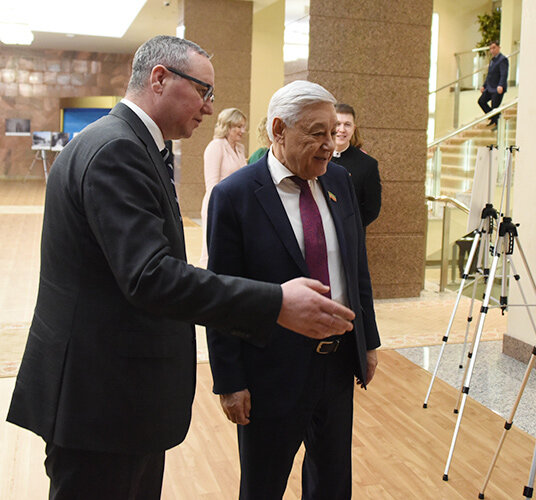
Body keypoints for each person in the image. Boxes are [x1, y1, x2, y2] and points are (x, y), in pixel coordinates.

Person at [6, 36, 355, 500]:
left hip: (112, 398)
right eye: (203, 91)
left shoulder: (129, 144)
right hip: (102, 403)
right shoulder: (117, 150)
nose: (210, 108)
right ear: (159, 79)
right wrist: (275, 302)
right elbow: (150, 276)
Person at [206, 80, 380, 499]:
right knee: (264, 485)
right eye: (316, 133)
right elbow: (223, 294)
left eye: (332, 132)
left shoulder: (338, 180)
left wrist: (367, 342)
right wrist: (229, 380)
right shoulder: (235, 196)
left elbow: (357, 267)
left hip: (336, 365)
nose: (329, 145)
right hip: (271, 372)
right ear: (279, 130)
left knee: (332, 483)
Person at [199, 107, 247, 267]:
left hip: (237, 208)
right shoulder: (215, 146)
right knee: (212, 252)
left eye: (243, 127)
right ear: (227, 126)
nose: (242, 131)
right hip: (217, 206)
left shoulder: (240, 149)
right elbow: (212, 185)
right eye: (238, 126)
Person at [332, 103, 381, 229]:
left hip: (352, 236)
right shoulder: (315, 157)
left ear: (354, 128)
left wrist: (351, 227)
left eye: (347, 125)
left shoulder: (367, 164)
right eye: (337, 124)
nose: (342, 130)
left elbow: (372, 209)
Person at [477, 41, 509, 128]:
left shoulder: (503, 59)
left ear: (499, 47)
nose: (492, 50)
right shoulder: (492, 60)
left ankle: (497, 122)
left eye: (494, 47)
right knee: (481, 101)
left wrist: (501, 85)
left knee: (495, 106)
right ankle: (495, 118)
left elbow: (504, 74)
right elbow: (489, 75)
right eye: (490, 48)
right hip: (490, 87)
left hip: (497, 88)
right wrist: (484, 85)